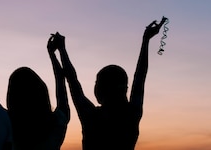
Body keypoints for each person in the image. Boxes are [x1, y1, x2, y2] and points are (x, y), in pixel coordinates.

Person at [57, 17, 168, 150]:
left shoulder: (91, 117)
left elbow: (73, 82)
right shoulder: (131, 114)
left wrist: (61, 50)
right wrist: (146, 41)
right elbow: (140, 77)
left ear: (103, 88)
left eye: (97, 82)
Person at [6, 33, 70, 150]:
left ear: (12, 97)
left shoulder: (5, 123)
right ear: (42, 92)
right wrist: (56, 52)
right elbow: (61, 80)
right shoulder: (57, 124)